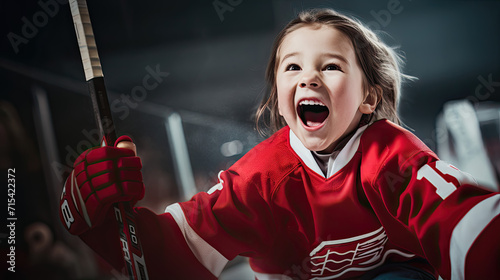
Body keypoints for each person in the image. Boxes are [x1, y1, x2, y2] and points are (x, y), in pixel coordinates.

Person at [59, 9, 500, 280]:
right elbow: (169, 257)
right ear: (279, 101)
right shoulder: (257, 178)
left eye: (330, 66)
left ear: (369, 97)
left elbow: (465, 220)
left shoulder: (391, 152)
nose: (308, 77)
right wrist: (96, 215)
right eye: (292, 67)